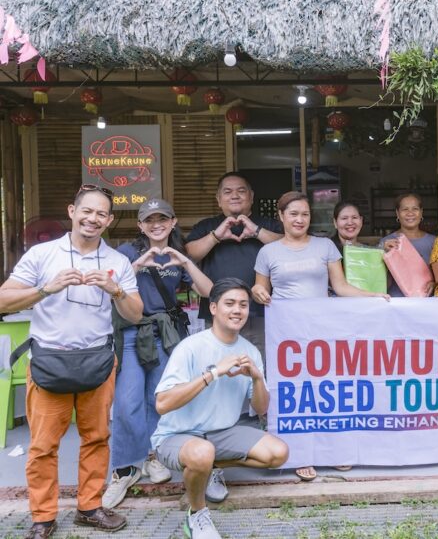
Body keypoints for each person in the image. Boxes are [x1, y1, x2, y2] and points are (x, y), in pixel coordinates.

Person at [0, 185, 143, 539]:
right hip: (49, 361)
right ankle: (43, 516)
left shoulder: (117, 262)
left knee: (97, 438)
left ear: (109, 220)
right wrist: (45, 289)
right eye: (87, 211)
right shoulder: (42, 254)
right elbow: (4, 300)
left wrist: (115, 290)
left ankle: (90, 508)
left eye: (101, 214)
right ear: (72, 211)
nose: (93, 219)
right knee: (43, 446)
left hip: (98, 361)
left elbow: (135, 314)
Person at [252, 191, 388, 481]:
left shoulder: (325, 246)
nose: (299, 219)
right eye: (293, 214)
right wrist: (257, 291)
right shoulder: (268, 252)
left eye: (305, 214)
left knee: (326, 392)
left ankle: (332, 451)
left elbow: (340, 287)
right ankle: (298, 453)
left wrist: (372, 296)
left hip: (321, 333)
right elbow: (259, 287)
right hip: (287, 335)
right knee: (294, 395)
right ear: (281, 216)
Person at [151, 278, 288, 539]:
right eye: (230, 303)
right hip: (177, 435)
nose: (237, 310)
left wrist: (257, 378)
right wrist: (214, 373)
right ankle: (197, 514)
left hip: (221, 433)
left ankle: (207, 468)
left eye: (243, 305)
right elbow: (162, 404)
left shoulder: (250, 351)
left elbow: (261, 408)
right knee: (202, 452)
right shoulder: (190, 347)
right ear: (213, 308)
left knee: (277, 453)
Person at [104, 199, 214, 509]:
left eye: (162, 219)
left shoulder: (178, 254)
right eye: (149, 220)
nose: (156, 225)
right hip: (131, 332)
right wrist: (140, 263)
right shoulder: (126, 252)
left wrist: (185, 261)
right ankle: (124, 469)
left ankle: (152, 455)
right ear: (140, 225)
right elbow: (108, 287)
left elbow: (209, 291)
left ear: (173, 222)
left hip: (164, 333)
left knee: (159, 398)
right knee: (127, 402)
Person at [185, 172, 283, 355]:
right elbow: (189, 254)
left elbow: (287, 248)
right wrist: (215, 236)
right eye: (228, 192)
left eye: (241, 191)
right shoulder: (206, 226)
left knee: (258, 366)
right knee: (217, 366)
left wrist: (257, 232)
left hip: (261, 313)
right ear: (218, 199)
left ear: (251, 196)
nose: (235, 195)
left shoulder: (268, 224)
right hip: (216, 313)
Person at [380, 193, 436, 296]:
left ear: (421, 212)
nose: (410, 213)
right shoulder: (386, 242)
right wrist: (383, 253)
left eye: (415, 209)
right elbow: (377, 281)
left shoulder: (434, 242)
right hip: (395, 300)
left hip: (426, 300)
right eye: (405, 209)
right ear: (397, 213)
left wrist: (435, 284)